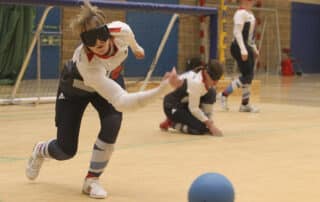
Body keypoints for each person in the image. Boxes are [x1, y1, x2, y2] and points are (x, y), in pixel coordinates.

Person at [25, 0, 178, 199]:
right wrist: (162, 89)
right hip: (77, 88)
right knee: (66, 149)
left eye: (102, 37)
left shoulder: (122, 30)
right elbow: (122, 101)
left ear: (108, 31)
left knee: (113, 121)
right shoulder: (87, 64)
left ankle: (91, 180)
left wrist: (137, 49)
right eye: (90, 42)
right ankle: (41, 150)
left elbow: (131, 39)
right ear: (83, 41)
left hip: (110, 77)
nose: (98, 45)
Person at [159, 60, 224, 136]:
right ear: (206, 73)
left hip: (185, 102)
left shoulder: (203, 75)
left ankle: (205, 124)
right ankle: (172, 123)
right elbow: (193, 108)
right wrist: (210, 125)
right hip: (172, 106)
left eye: (217, 79)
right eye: (213, 79)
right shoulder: (196, 83)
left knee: (211, 92)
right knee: (199, 128)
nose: (215, 83)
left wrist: (209, 123)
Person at [217, 0, 259, 113]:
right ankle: (224, 94)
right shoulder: (240, 14)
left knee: (248, 75)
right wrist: (243, 49)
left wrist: (254, 48)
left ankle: (245, 104)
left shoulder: (250, 14)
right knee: (247, 76)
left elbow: (250, 36)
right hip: (238, 47)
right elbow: (237, 33)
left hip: (246, 46)